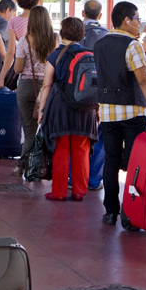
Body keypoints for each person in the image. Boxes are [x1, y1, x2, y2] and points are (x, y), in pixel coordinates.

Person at [94, 2, 146, 225]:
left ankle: (110, 211)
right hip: (133, 112)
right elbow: (144, 81)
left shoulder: (100, 44)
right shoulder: (132, 45)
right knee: (135, 164)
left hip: (107, 112)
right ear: (126, 20)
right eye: (137, 18)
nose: (139, 23)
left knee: (111, 161)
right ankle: (130, 213)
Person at [38, 17, 97, 201]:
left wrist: (41, 110)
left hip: (61, 108)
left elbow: (46, 85)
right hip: (86, 109)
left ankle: (59, 192)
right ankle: (79, 191)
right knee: (82, 149)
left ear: (62, 32)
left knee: (60, 148)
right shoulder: (90, 54)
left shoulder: (55, 55)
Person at [14, 5, 57, 174]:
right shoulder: (55, 39)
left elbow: (17, 69)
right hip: (49, 86)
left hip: (27, 86)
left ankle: (24, 165)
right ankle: (41, 166)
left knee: (28, 128)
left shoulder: (24, 40)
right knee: (46, 127)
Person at [81, 0, 108, 191]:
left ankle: (75, 178)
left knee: (78, 135)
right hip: (102, 92)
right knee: (100, 136)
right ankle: (93, 179)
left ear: (83, 14)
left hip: (78, 93)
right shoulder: (107, 35)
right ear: (100, 15)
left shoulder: (76, 33)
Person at [0, 0, 41, 94]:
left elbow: (10, 53)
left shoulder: (14, 22)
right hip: (43, 73)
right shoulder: (43, 21)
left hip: (23, 73)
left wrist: (1, 77)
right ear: (37, 1)